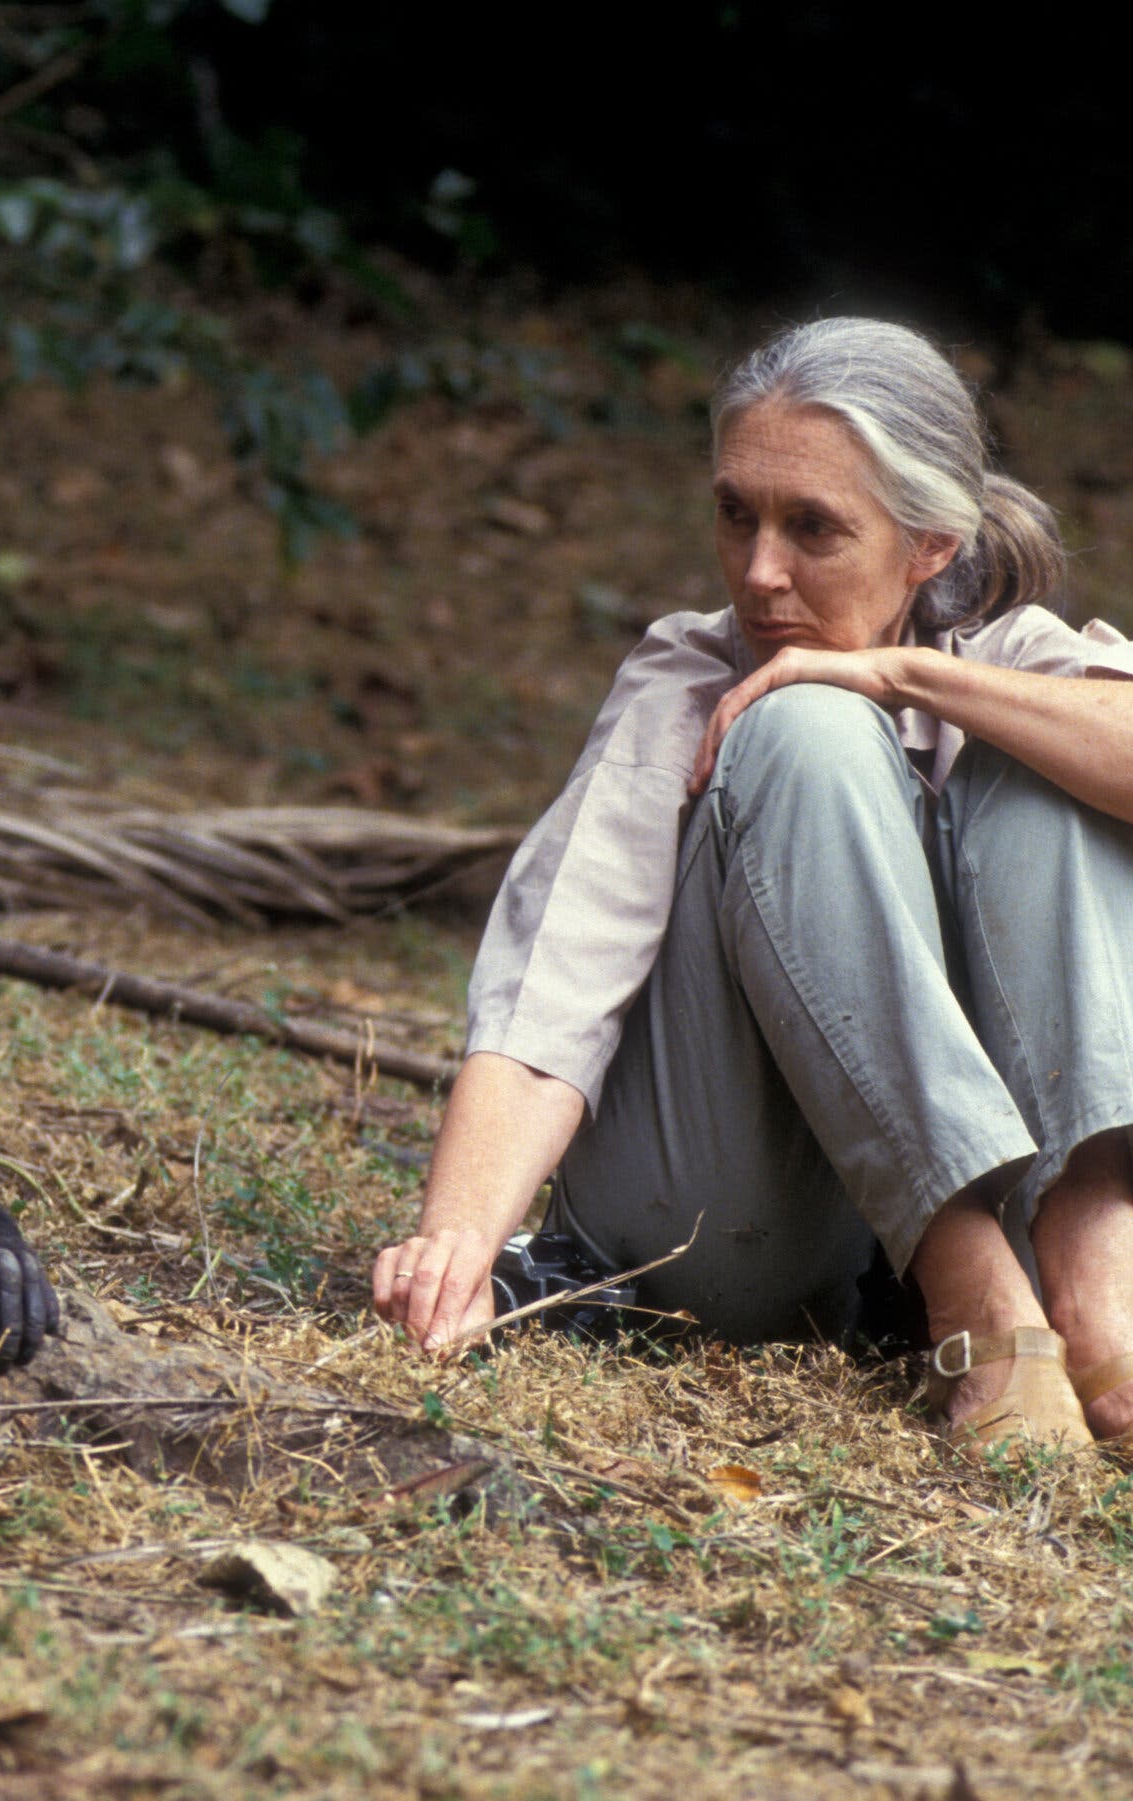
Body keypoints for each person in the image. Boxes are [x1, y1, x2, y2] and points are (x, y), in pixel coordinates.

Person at [373, 317, 1133, 1456]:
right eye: (737, 514)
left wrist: (907, 673)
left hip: (1001, 1225)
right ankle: (974, 1293)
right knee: (803, 727)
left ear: (930, 544)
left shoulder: (1004, 652)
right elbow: (554, 981)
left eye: (812, 527)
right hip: (733, 1232)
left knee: (1050, 764)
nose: (761, 571)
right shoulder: (689, 673)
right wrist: (455, 1242)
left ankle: (1098, 1299)